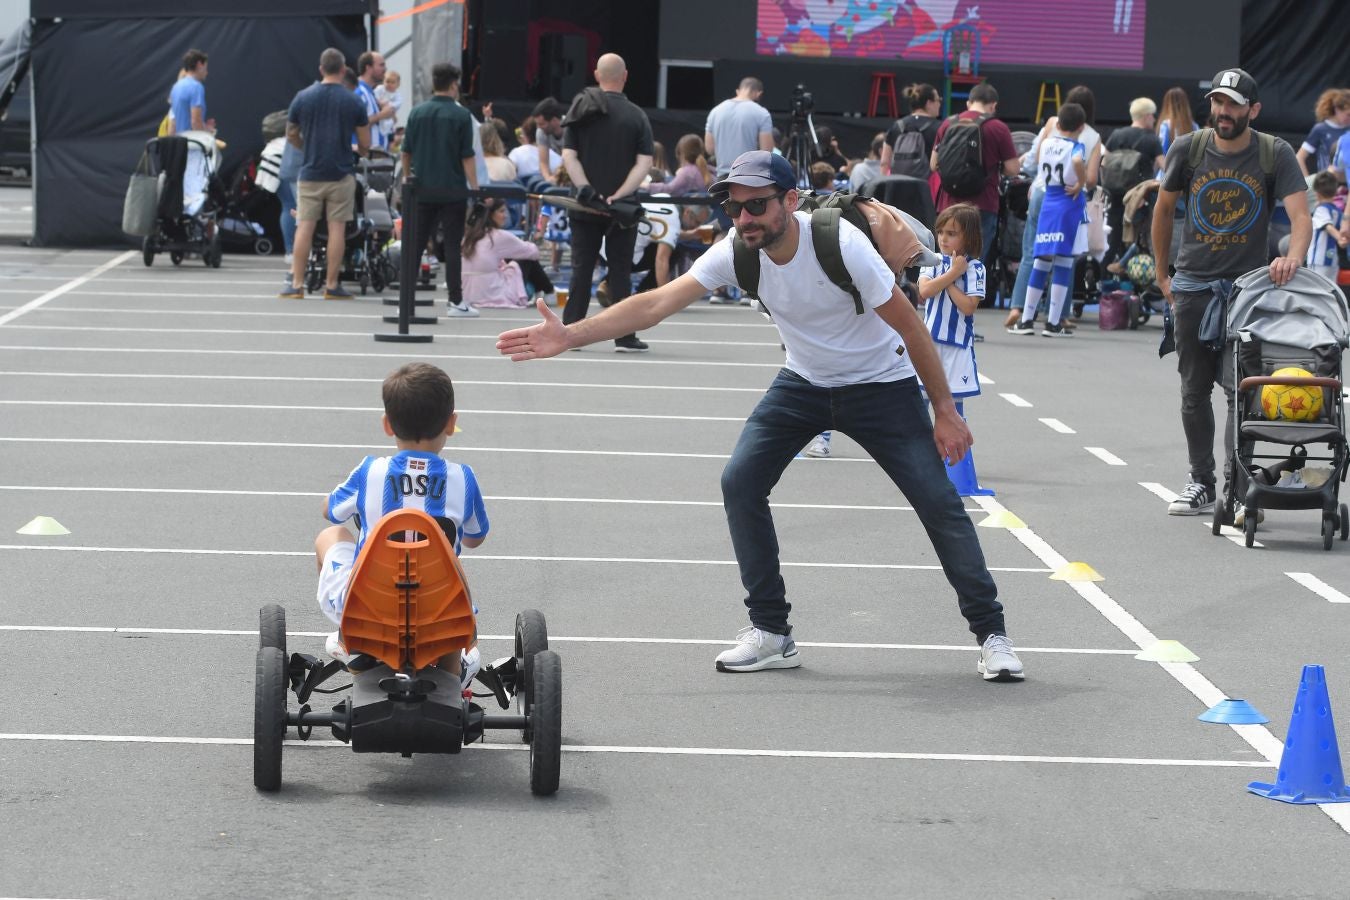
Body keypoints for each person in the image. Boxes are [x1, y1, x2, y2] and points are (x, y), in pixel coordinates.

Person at [495, 150, 1024, 682]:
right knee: (740, 481)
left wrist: (945, 411)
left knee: (938, 502)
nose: (744, 217)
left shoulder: (842, 245)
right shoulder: (737, 251)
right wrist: (569, 334)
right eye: (734, 206)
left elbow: (912, 328)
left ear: (790, 202)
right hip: (804, 383)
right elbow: (656, 303)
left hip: (881, 386)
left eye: (757, 205)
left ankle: (992, 635)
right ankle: (771, 631)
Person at [1152, 68, 1311, 516]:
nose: (1223, 112)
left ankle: (1238, 488)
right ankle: (1201, 482)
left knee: (1240, 392)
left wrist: (1291, 257)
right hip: (1192, 286)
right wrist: (1163, 275)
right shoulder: (1189, 148)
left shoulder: (1272, 153)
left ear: (1252, 110)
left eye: (1233, 104)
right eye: (1219, 103)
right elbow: (1163, 211)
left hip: (1247, 292)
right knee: (1192, 390)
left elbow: (1301, 218)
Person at [315, 362, 489, 685]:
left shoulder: (370, 472)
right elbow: (475, 538)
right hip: (440, 615)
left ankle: (352, 643)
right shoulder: (463, 478)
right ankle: (452, 676)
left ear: (387, 425)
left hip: (368, 608)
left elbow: (331, 511)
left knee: (331, 535)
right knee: (451, 567)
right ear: (451, 424)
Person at [560, 52, 654, 353]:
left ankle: (570, 331)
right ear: (624, 76)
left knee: (581, 268)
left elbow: (569, 155)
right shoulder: (637, 115)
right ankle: (625, 335)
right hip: (622, 208)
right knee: (620, 271)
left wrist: (585, 187)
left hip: (585, 203)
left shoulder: (581, 108)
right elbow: (644, 163)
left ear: (597, 75)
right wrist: (621, 193)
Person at [1005, 85, 1102, 326]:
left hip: (1041, 192)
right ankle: (1057, 314)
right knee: (1064, 257)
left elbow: (1034, 156)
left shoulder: (1051, 124)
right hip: (1067, 199)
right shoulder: (1091, 137)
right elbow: (1090, 178)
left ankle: (1019, 308)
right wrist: (1079, 182)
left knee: (1032, 253)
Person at [281, 48, 370, 300]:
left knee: (304, 228)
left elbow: (291, 133)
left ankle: (296, 284)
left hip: (310, 172)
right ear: (343, 70)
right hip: (341, 174)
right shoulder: (353, 100)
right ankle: (331, 285)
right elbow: (365, 141)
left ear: (321, 69)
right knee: (337, 230)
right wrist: (359, 150)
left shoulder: (302, 97)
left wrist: (306, 146)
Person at [400, 63, 479, 317]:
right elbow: (467, 156)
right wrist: (475, 188)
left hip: (421, 188)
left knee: (416, 243)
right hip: (452, 189)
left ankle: (407, 299)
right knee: (453, 245)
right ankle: (455, 300)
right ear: (454, 84)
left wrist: (406, 176)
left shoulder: (417, 112)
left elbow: (406, 151)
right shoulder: (461, 115)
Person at [931, 82, 1020, 275]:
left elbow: (933, 164)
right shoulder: (998, 128)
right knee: (973, 261)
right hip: (983, 204)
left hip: (949, 203)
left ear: (968, 103)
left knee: (947, 258)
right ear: (993, 105)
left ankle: (944, 298)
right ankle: (966, 302)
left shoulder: (948, 124)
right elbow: (1013, 168)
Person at [919, 204, 985, 403]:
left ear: (969, 236)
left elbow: (968, 306)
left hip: (958, 344)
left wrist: (946, 280)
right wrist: (953, 274)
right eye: (940, 232)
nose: (943, 238)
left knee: (953, 404)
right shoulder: (933, 260)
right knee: (920, 400)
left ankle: (955, 436)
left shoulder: (975, 268)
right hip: (928, 342)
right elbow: (925, 291)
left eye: (951, 233)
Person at [1102, 97, 1165, 265]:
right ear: (1145, 116)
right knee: (1138, 238)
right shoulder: (1151, 139)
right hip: (1140, 197)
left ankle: (1106, 278)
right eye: (1152, 115)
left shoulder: (1117, 135)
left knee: (1113, 238)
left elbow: (1104, 162)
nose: (1154, 118)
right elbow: (1164, 166)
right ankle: (1133, 282)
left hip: (1115, 195)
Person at [461, 198, 554, 308]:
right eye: (501, 211)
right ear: (490, 215)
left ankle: (542, 292)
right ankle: (549, 292)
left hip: (467, 293)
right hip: (490, 292)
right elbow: (534, 252)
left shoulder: (469, 236)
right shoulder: (499, 235)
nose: (505, 216)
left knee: (513, 257)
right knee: (527, 258)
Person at [704, 77, 775, 181]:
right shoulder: (762, 113)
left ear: (738, 91)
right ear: (758, 93)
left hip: (723, 178)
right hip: (750, 177)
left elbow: (709, 149)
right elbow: (766, 151)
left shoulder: (715, 111)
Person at [882, 82, 941, 179]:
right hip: (926, 188)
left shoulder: (897, 126)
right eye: (938, 100)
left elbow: (884, 163)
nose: (939, 104)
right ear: (929, 103)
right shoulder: (940, 127)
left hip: (898, 185)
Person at [1297, 88, 1350, 176]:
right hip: (1328, 185)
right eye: (1348, 114)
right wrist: (1308, 183)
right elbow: (1299, 157)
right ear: (1337, 110)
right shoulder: (1321, 129)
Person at [1307, 171, 1347, 284]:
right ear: (1335, 192)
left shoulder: (1321, 210)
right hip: (1333, 260)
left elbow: (1327, 226)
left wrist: (1339, 237)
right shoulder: (1338, 211)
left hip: (1318, 259)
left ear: (1317, 193)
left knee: (1315, 288)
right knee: (1331, 290)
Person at [646, 134, 711, 196]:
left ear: (680, 153)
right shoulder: (710, 170)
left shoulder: (687, 172)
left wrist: (645, 185)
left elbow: (669, 189)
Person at [355, 51, 394, 152]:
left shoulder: (370, 92)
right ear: (368, 68)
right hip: (366, 161)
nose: (385, 69)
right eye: (381, 65)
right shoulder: (360, 92)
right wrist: (382, 115)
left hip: (375, 160)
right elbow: (356, 124)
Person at [169, 49, 210, 135]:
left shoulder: (175, 87)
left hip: (179, 145)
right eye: (206, 68)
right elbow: (195, 122)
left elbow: (172, 124)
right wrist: (208, 135)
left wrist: (206, 128)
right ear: (199, 65)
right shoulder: (196, 87)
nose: (207, 73)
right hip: (193, 145)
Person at [532, 97, 567, 185]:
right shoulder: (541, 132)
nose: (538, 127)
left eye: (541, 124)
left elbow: (572, 159)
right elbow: (543, 162)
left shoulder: (571, 129)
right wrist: (548, 178)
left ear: (554, 121)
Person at [1156, 87, 1197, 160]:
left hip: (1168, 167)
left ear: (1167, 103)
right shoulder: (1194, 126)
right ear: (1185, 103)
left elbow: (1161, 150)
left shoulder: (1165, 125)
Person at [374, 69, 404, 145]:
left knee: (388, 129)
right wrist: (379, 102)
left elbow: (396, 105)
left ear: (398, 84)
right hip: (378, 115)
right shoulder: (380, 89)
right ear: (383, 81)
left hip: (389, 118)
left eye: (392, 82)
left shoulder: (398, 95)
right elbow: (374, 96)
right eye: (387, 81)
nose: (389, 84)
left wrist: (386, 105)